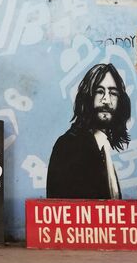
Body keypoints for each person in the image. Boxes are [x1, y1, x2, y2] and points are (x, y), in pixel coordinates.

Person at [46, 63, 131, 199]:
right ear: (87, 97)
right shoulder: (68, 146)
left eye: (113, 93)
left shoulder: (103, 147)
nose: (106, 100)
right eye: (99, 91)